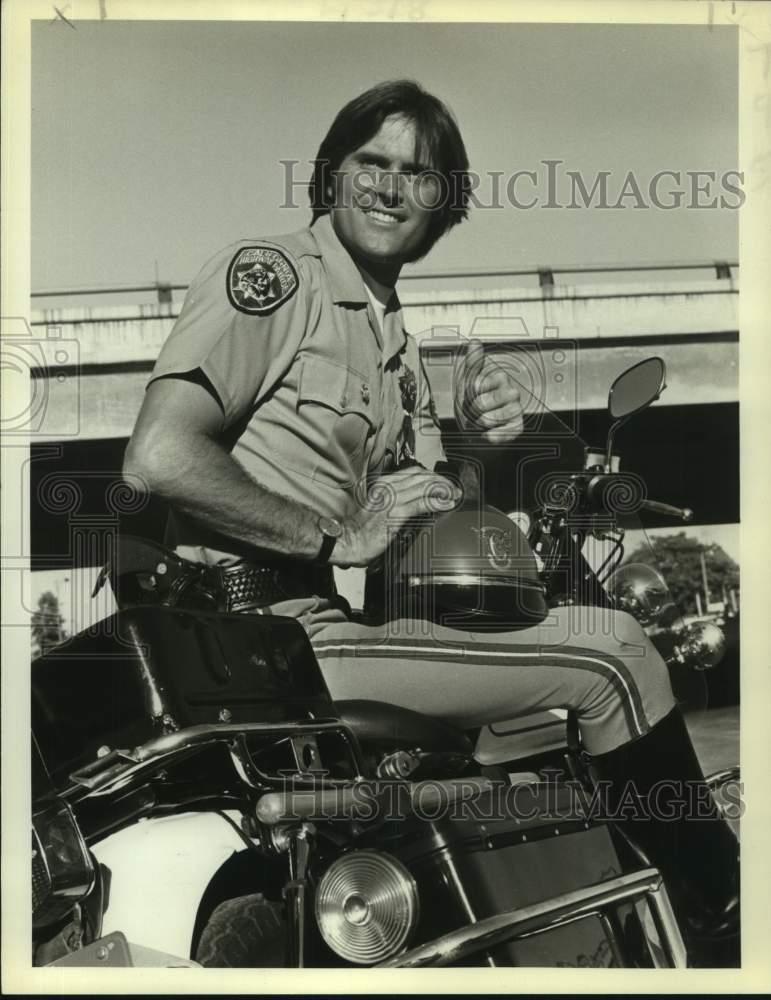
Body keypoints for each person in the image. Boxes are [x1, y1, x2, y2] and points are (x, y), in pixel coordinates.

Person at [124, 79, 738, 963]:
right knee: (613, 656)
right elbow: (160, 454)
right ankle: (723, 933)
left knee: (532, 727)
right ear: (330, 175)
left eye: (416, 174)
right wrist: (330, 537)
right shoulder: (274, 276)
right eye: (370, 162)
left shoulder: (392, 343)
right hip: (261, 648)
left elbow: (421, 533)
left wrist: (477, 444)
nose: (387, 186)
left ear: (441, 204)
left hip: (320, 632)